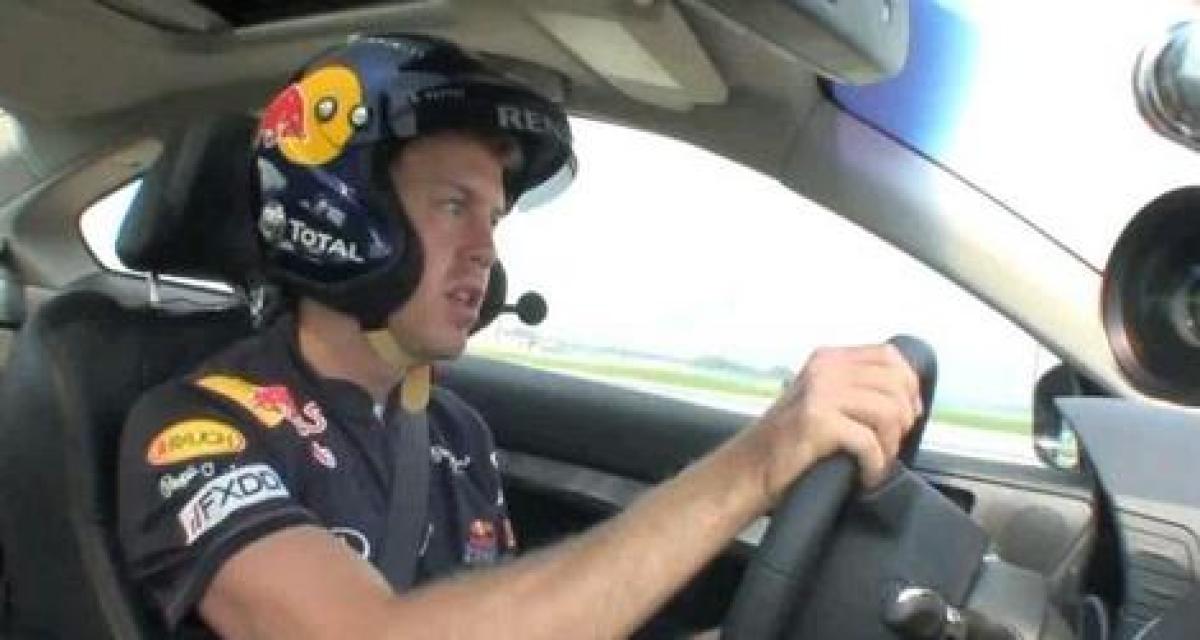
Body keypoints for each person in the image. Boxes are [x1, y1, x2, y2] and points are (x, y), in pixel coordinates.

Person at [117, 33, 922, 639]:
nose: (486, 251)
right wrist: (758, 461)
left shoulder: (454, 430)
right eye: (453, 206)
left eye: (494, 219)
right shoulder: (198, 433)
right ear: (344, 215)